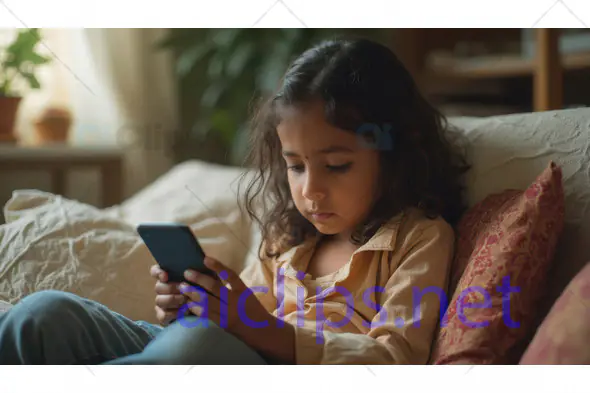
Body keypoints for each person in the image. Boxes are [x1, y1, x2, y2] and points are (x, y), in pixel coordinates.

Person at [0, 36, 469, 365]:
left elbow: (394, 358)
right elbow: (237, 314)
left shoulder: (419, 237)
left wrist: (260, 331)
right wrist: (190, 304)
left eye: (337, 165)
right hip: (200, 349)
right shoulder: (287, 238)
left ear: (396, 152)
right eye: (296, 165)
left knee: (196, 350)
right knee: (45, 314)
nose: (310, 190)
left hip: (249, 366)